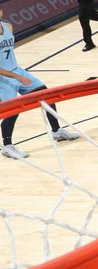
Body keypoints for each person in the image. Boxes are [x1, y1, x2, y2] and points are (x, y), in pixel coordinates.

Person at [0, 8, 79, 160]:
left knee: (46, 94)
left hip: (17, 71)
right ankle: (7, 146)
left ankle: (56, 131)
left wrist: (17, 73)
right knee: (13, 110)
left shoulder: (8, 26)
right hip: (4, 78)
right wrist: (14, 76)